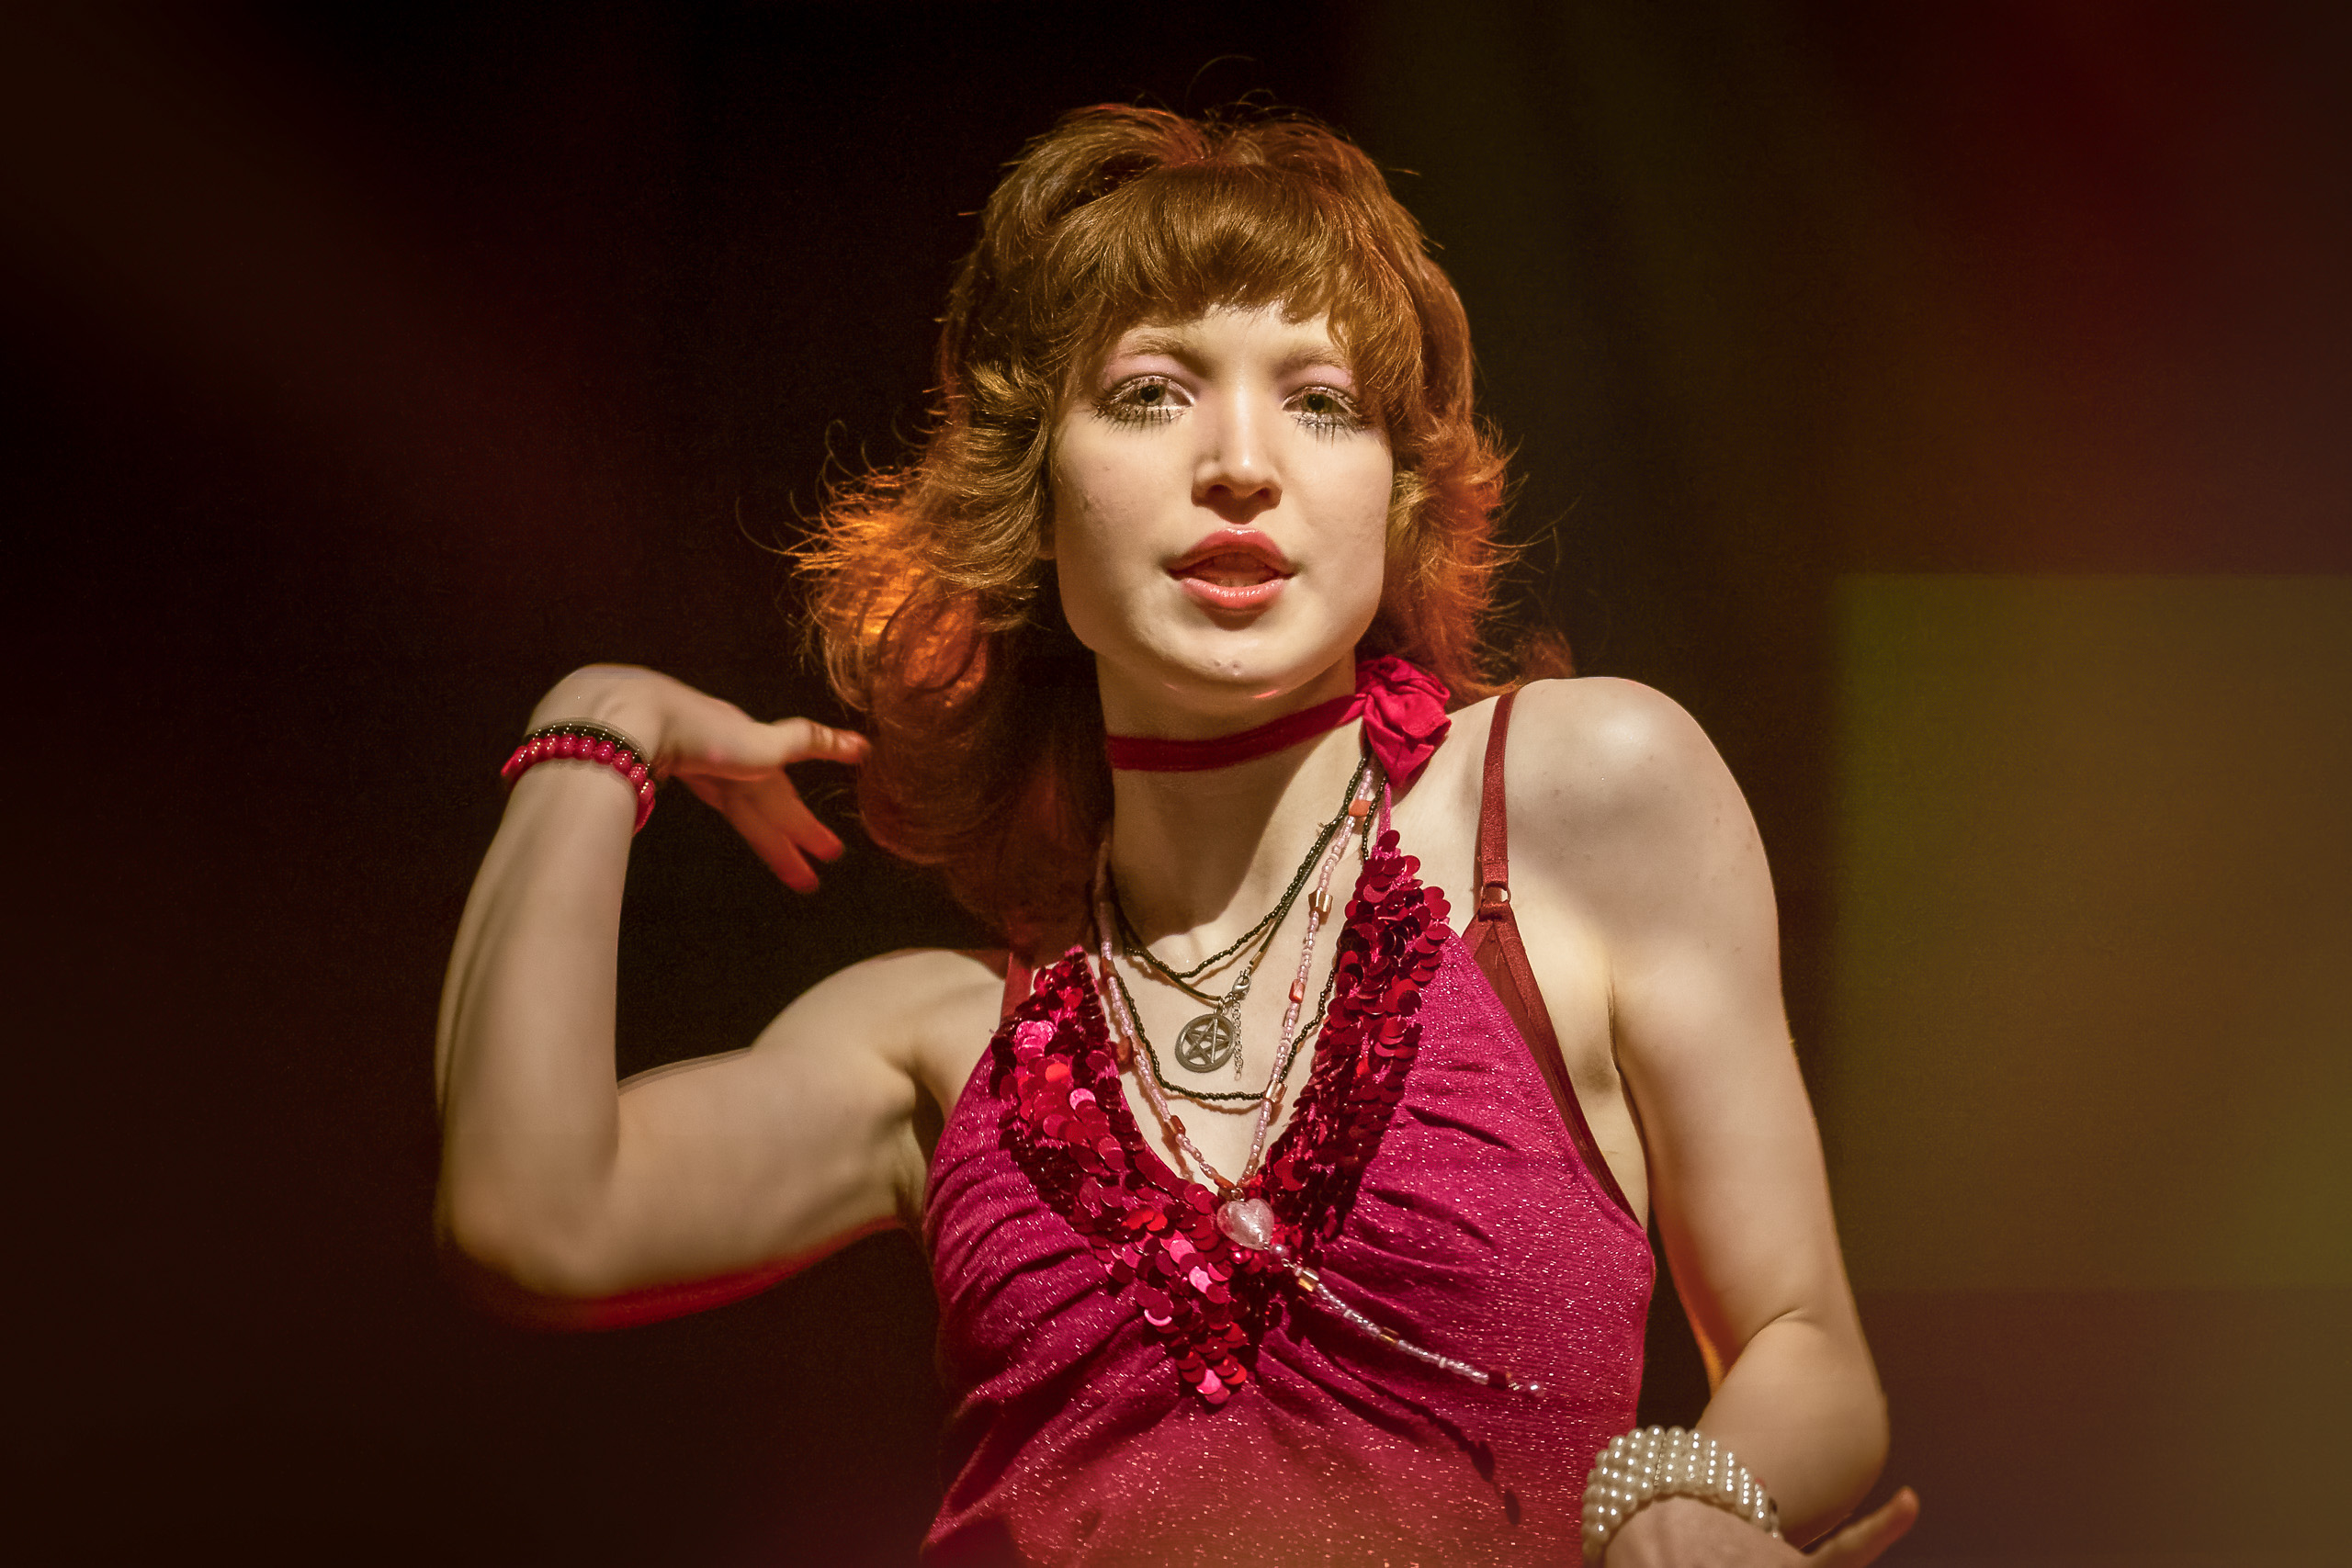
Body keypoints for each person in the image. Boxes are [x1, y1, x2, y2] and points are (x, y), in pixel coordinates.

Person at [437, 106, 1917, 1566]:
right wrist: (594, 731)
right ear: (1031, 496)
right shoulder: (940, 1039)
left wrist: (1687, 1494)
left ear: (1395, 495)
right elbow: (532, 1218)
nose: (1242, 463)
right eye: (1152, 392)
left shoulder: (1581, 799)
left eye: (1321, 401)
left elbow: (1807, 1347)